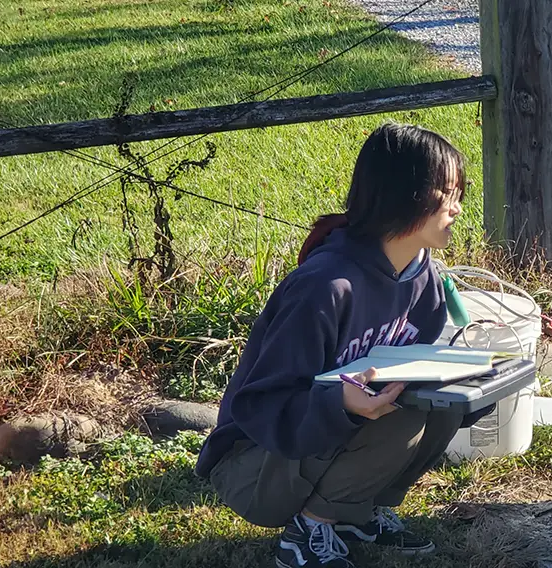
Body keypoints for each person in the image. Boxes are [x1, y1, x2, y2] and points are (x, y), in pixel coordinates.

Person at [194, 123, 469, 568]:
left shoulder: (424, 277)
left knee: (441, 404)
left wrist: (474, 381)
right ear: (403, 193)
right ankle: (309, 531)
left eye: (460, 193)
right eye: (445, 193)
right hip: (256, 462)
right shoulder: (325, 286)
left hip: (318, 444)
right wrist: (338, 402)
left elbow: (417, 366)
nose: (456, 208)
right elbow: (259, 403)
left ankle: (357, 512)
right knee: (399, 420)